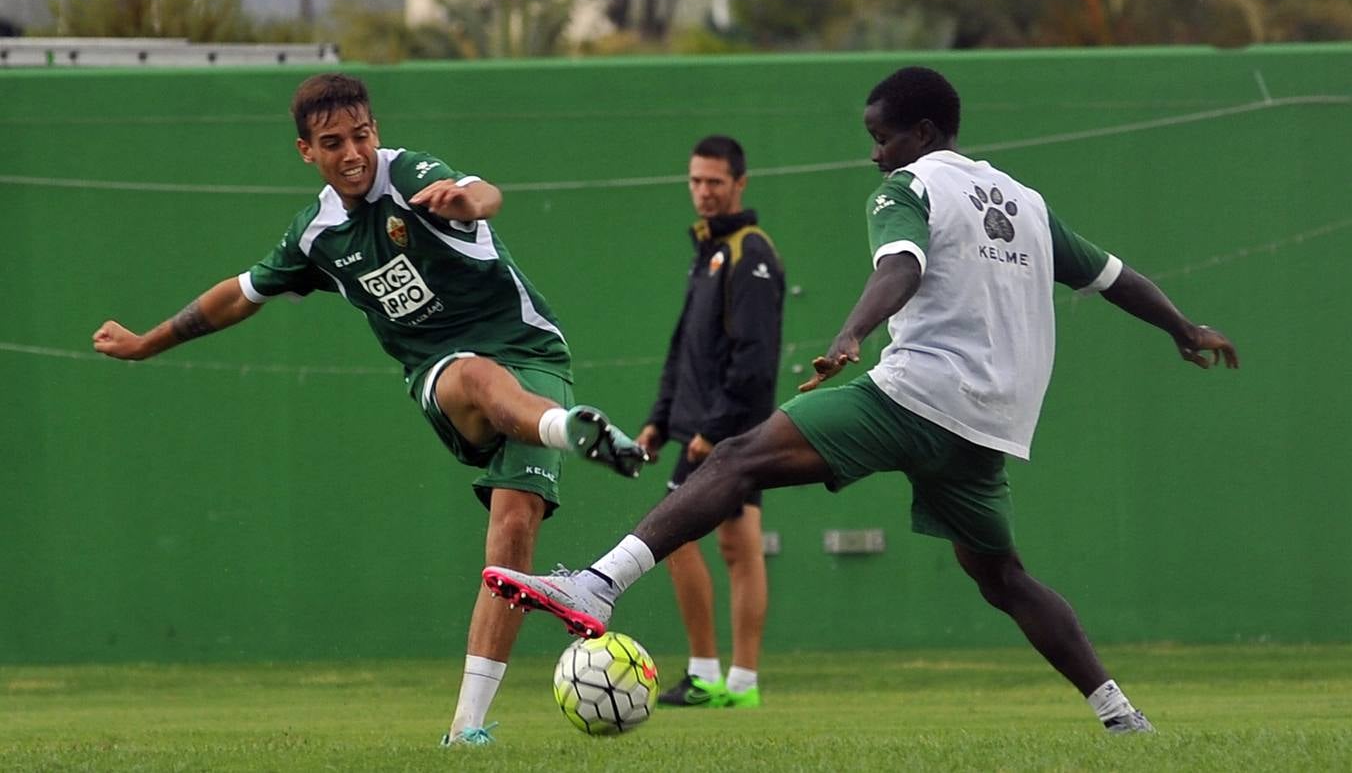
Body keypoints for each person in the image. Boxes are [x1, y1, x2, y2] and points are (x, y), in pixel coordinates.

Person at [482, 66, 1239, 734]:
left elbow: (900, 267)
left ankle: (598, 584)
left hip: (916, 397)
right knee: (1002, 577)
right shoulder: (1024, 202)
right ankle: (1119, 713)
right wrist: (1183, 325)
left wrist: (850, 333)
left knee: (740, 459)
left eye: (881, 137)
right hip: (991, 430)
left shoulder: (909, 188)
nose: (874, 153)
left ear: (921, 132)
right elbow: (1116, 278)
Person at [92, 72, 647, 747]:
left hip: (533, 354)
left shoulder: (411, 173)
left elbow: (486, 194)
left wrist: (466, 200)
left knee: (514, 531)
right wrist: (147, 343)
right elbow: (239, 294)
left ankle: (466, 730)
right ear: (306, 151)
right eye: (332, 143)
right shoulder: (316, 235)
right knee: (475, 377)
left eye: (361, 135)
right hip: (445, 378)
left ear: (376, 132)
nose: (351, 153)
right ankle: (567, 430)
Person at [636, 135, 784, 710]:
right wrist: (658, 419)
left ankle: (705, 673)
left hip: (730, 432)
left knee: (676, 538)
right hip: (702, 427)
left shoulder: (752, 252)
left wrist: (712, 430)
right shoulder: (710, 250)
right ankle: (740, 684)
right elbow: (686, 347)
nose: (703, 192)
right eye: (695, 181)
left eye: (715, 182)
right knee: (738, 546)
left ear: (739, 183)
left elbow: (754, 358)